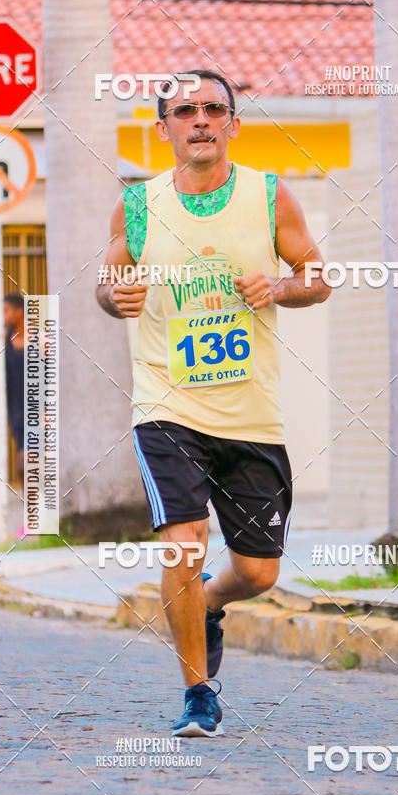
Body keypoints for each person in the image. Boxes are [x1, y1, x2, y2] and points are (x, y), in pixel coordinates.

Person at [97, 68, 330, 737]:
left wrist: (280, 290)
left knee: (257, 571)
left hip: (251, 410)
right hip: (165, 405)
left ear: (233, 122)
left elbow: (317, 277)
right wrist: (117, 298)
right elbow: (107, 289)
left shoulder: (268, 196)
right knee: (181, 544)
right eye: (184, 110)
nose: (200, 119)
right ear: (162, 127)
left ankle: (208, 605)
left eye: (212, 108)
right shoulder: (136, 207)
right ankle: (199, 693)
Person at [3, 293, 25, 483]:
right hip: (16, 410)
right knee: (25, 466)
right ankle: (32, 508)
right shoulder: (4, 337)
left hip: (38, 410)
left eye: (6, 310)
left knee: (26, 462)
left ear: (19, 312)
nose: (1, 315)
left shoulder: (39, 338)